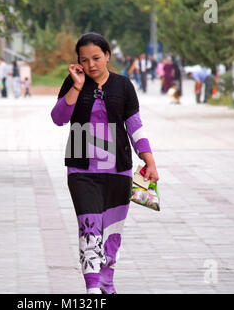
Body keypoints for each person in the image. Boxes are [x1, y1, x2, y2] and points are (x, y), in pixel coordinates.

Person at [50, 32, 159, 294]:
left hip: (117, 170)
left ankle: (107, 284)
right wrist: (76, 86)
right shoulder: (74, 82)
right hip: (81, 170)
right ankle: (92, 289)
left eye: (97, 58)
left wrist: (149, 161)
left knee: (111, 235)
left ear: (108, 56)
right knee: (89, 231)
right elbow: (58, 118)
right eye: (84, 60)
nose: (91, 65)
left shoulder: (123, 85)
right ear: (78, 62)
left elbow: (134, 126)